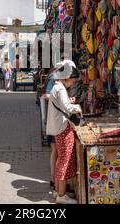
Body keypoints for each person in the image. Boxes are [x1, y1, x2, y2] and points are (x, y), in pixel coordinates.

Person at [46, 61, 82, 204]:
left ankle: (60, 192)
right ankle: (61, 195)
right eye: (72, 80)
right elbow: (66, 107)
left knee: (62, 160)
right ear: (66, 77)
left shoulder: (57, 87)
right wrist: (77, 107)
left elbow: (63, 104)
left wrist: (69, 102)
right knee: (63, 161)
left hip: (59, 127)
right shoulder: (60, 89)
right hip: (61, 128)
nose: (72, 83)